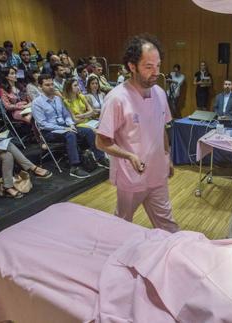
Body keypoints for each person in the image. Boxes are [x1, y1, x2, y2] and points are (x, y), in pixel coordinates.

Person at [96, 34, 179, 233]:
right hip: (132, 177)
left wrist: (167, 157)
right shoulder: (116, 98)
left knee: (168, 227)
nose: (156, 72)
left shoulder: (159, 92)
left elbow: (162, 130)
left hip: (157, 174)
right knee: (122, 225)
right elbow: (101, 142)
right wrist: (129, 155)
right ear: (132, 66)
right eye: (148, 67)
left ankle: (175, 260)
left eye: (158, 66)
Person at [32, 74, 106, 178]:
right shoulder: (36, 103)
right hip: (49, 132)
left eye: (52, 84)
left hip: (65, 127)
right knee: (70, 134)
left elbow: (66, 115)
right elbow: (43, 124)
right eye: (47, 85)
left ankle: (100, 158)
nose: (51, 87)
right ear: (40, 87)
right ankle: (74, 167)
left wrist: (71, 124)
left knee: (88, 131)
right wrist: (64, 128)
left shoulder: (58, 99)